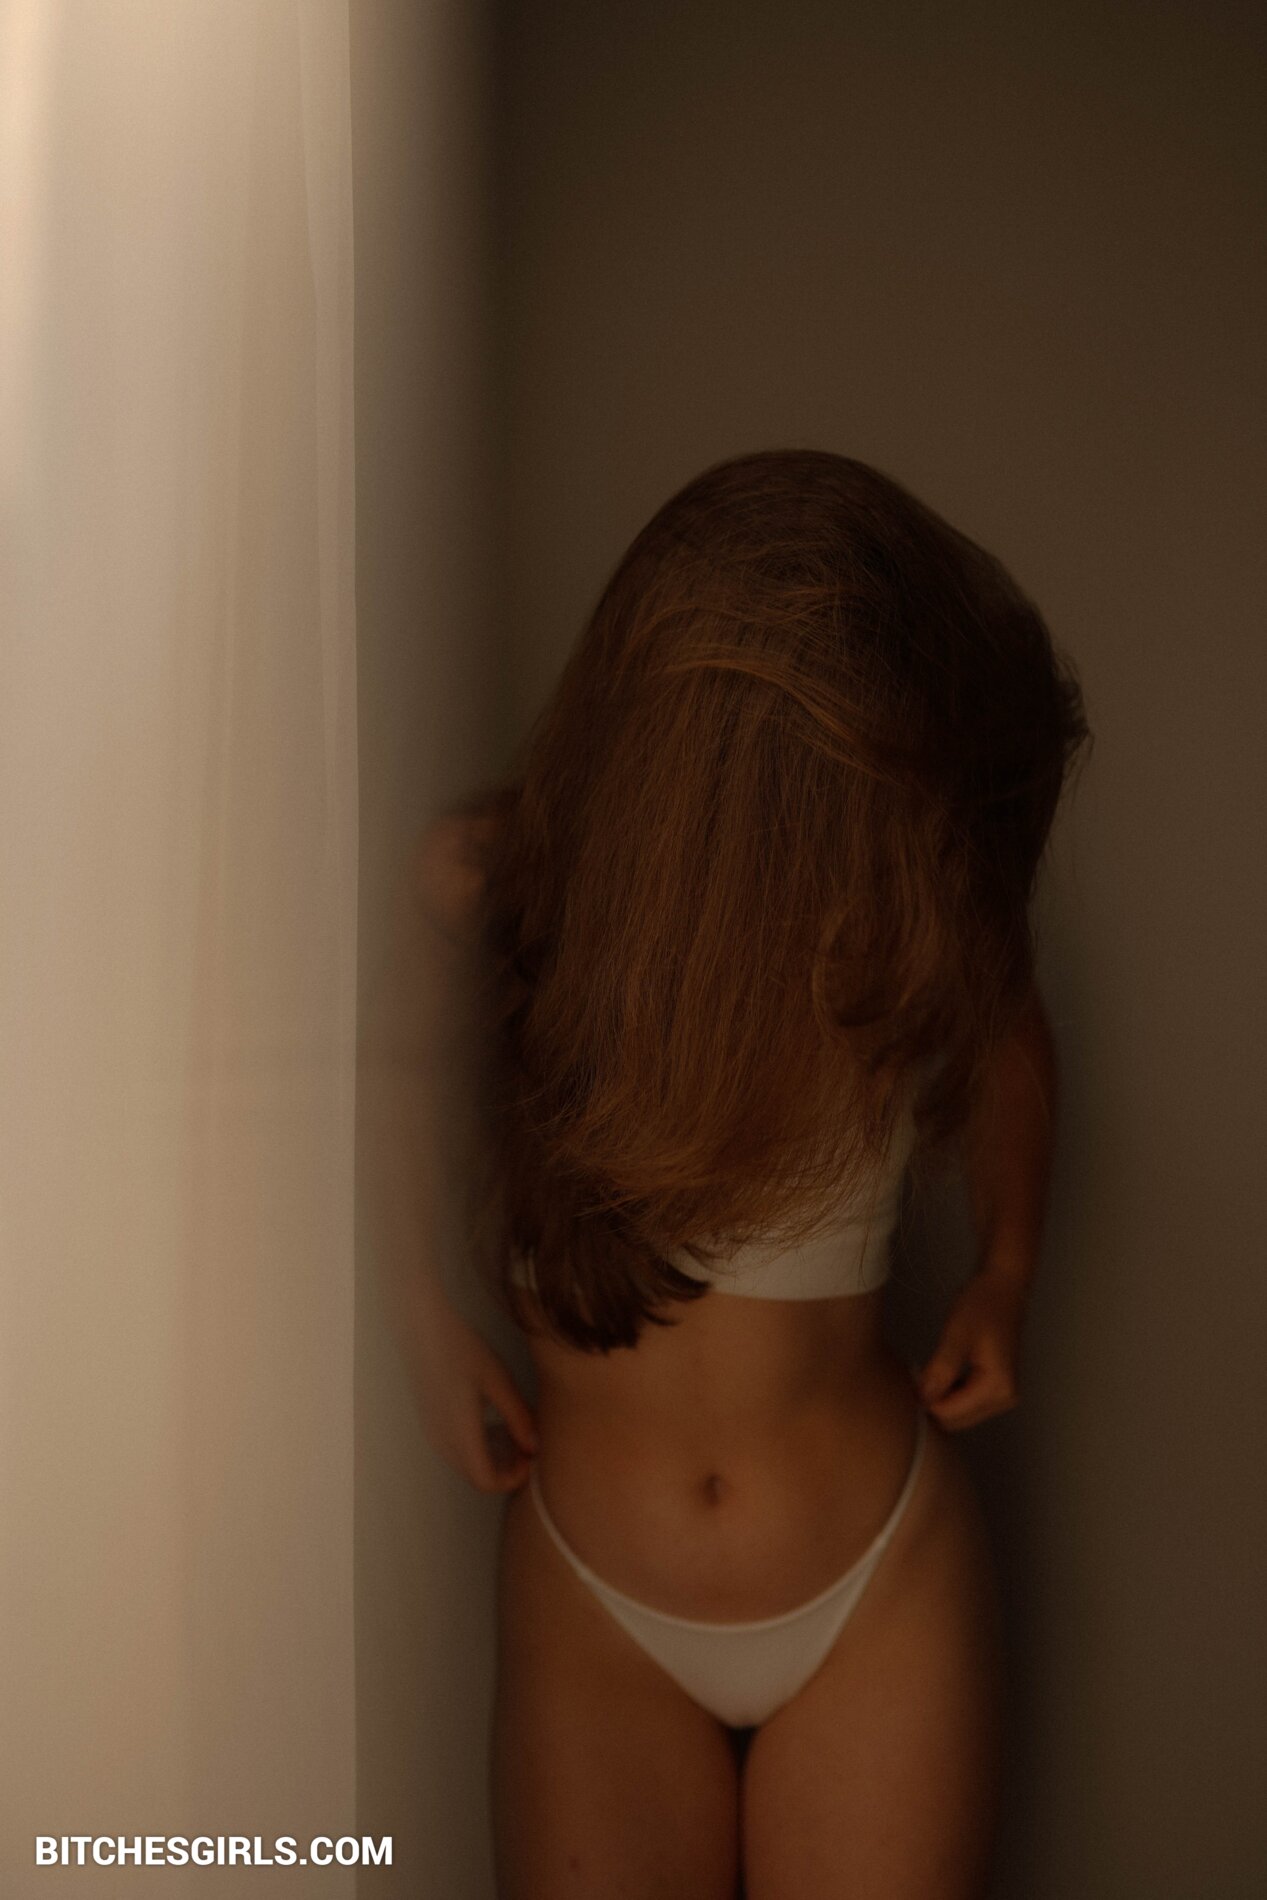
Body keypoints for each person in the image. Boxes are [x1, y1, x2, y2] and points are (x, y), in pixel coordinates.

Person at [362, 450, 1089, 1898]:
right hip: (591, 1603)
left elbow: (1011, 1031)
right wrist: (418, 1319)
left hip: (876, 1585)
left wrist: (1007, 1268)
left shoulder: (892, 896)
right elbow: (389, 1068)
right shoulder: (494, 879)